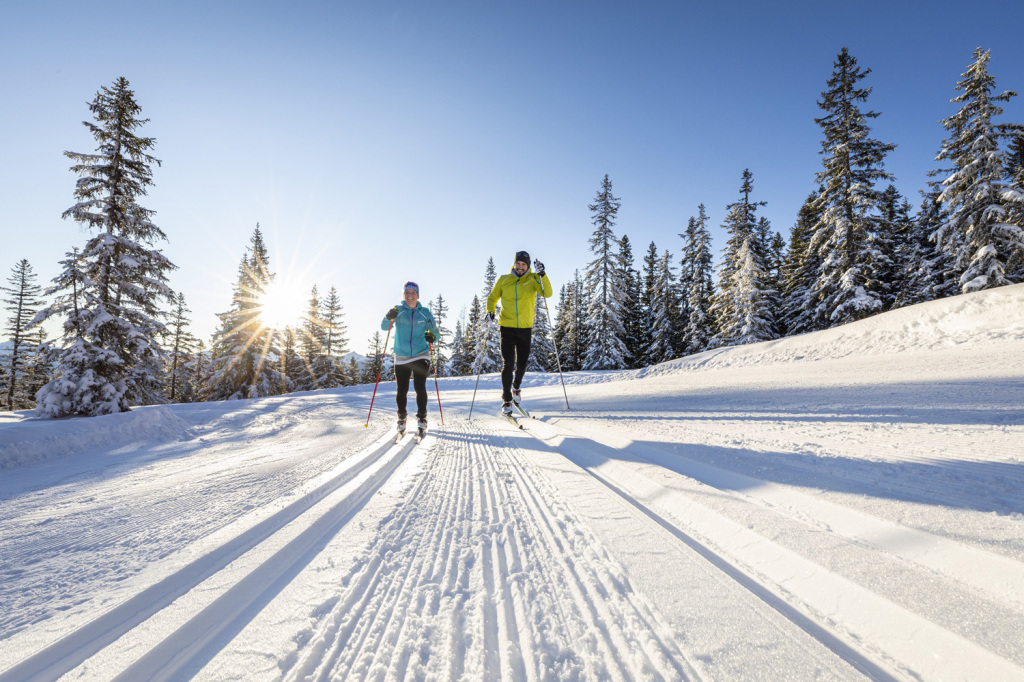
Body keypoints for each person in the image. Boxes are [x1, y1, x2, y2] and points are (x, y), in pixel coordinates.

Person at [485, 251, 553, 415]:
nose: (520, 267)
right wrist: (490, 311)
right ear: (514, 264)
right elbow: (492, 297)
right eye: (518, 264)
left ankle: (516, 387)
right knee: (508, 364)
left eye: (523, 264)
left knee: (522, 364)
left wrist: (542, 275)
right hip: (506, 327)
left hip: (525, 328)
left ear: (528, 266)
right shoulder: (504, 280)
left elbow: (547, 293)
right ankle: (506, 399)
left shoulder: (533, 279)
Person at [381, 281, 440, 434]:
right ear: (404, 295)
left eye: (413, 293)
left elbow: (435, 332)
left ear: (417, 295)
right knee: (402, 389)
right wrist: (389, 317)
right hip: (402, 355)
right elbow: (383, 326)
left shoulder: (424, 312)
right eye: (407, 293)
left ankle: (422, 417)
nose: (410, 295)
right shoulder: (398, 310)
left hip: (421, 354)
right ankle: (401, 418)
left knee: (420, 386)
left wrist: (431, 336)